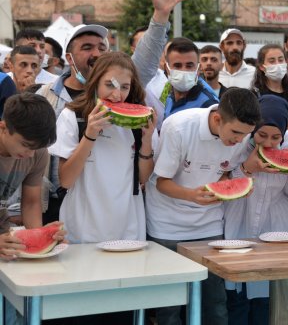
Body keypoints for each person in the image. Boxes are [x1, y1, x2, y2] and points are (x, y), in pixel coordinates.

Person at [145, 88, 261, 325]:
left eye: (245, 135)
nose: (240, 141)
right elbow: (160, 183)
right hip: (167, 225)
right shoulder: (178, 127)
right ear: (218, 118)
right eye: (236, 133)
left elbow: (226, 170)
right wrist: (191, 195)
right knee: (169, 307)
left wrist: (229, 184)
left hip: (209, 224)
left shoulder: (243, 135)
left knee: (215, 303)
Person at [49, 51, 156, 243]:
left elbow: (144, 178)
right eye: (110, 85)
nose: (117, 95)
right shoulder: (73, 116)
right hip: (83, 225)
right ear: (95, 83)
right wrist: (90, 134)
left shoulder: (139, 123)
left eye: (124, 87)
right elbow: (65, 180)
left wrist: (147, 141)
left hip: (128, 224)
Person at [224, 95, 288, 325]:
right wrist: (245, 169)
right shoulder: (238, 140)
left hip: (275, 225)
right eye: (262, 135)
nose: (269, 143)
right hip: (237, 220)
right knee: (236, 296)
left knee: (266, 297)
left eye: (276, 138)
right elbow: (222, 182)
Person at [0, 93, 64, 260]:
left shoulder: (38, 153)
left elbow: (31, 202)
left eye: (37, 147)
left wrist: (40, 236)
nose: (30, 154)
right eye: (26, 145)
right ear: (4, 128)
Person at [163, 37, 219, 119]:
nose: (184, 70)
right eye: (177, 66)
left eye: (189, 66)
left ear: (198, 69)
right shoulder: (169, 98)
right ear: (166, 68)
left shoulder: (209, 105)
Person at [251, 44, 288, 114]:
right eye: (272, 61)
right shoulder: (254, 95)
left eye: (281, 60)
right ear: (261, 67)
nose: (277, 64)